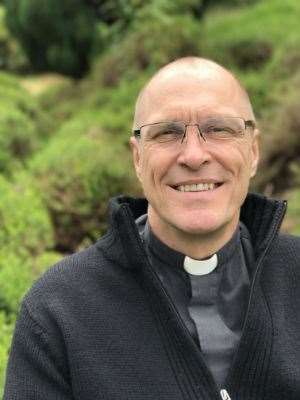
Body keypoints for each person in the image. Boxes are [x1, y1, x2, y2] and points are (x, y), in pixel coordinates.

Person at [4, 57, 300, 400]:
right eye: (167, 133)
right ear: (137, 158)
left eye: (219, 129)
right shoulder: (57, 310)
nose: (193, 155)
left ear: (253, 151)